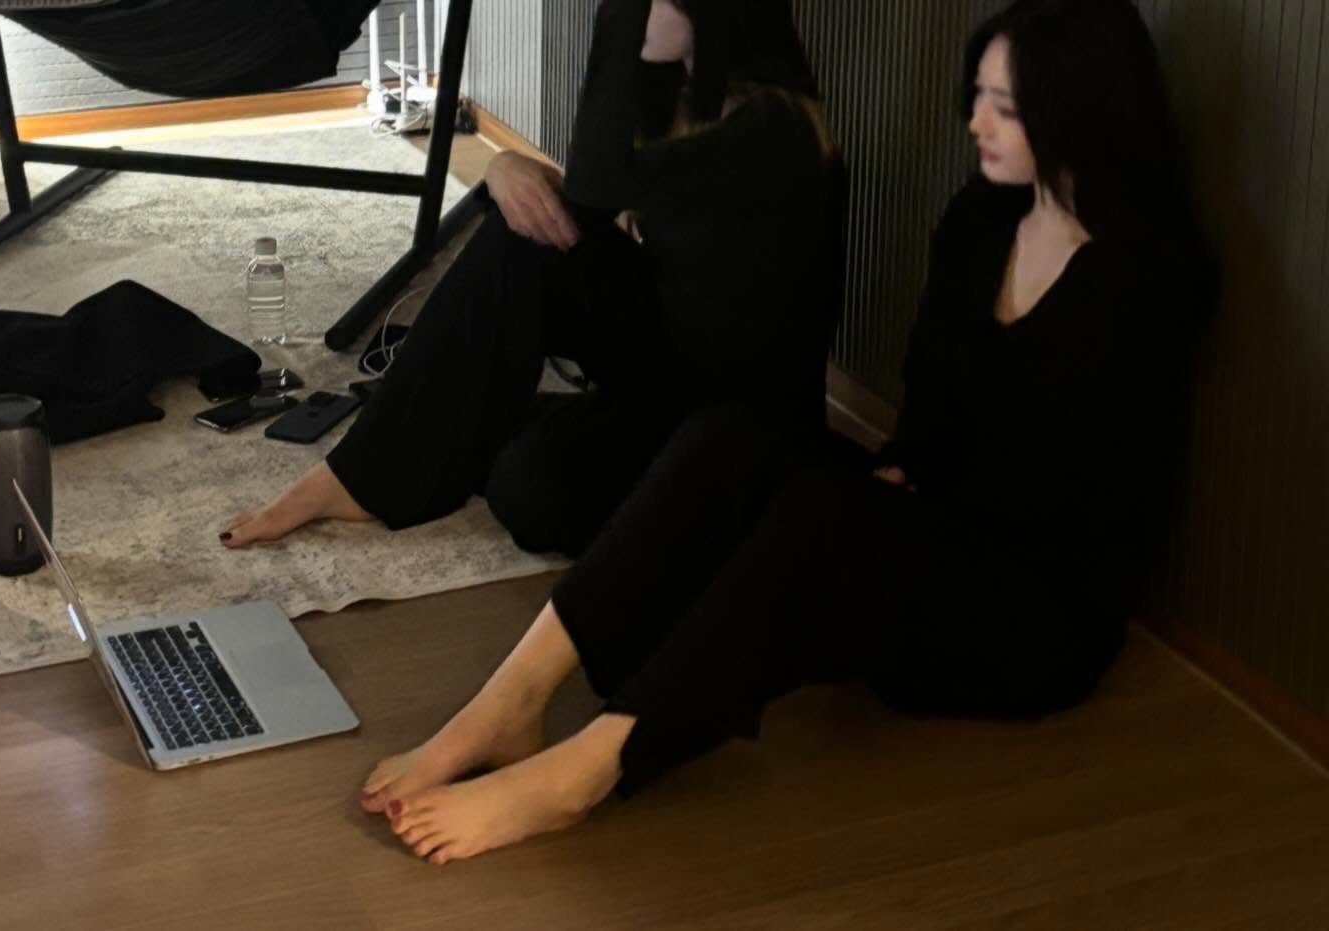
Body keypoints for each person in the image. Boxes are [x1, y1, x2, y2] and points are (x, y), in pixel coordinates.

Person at [358, 0, 1217, 865]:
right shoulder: (982, 221)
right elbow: (931, 403)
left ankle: (584, 773)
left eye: (1006, 107)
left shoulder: (1148, 280)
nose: (976, 122)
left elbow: (1088, 504)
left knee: (820, 515)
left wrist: (887, 508)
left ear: (1079, 108)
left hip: (1031, 612)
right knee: (734, 436)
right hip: (934, 519)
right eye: (979, 96)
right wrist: (901, 473)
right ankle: (509, 701)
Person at [219, 0, 843, 556]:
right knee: (523, 237)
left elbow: (597, 186)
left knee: (533, 491)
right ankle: (358, 476)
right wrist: (504, 168)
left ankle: (450, 424)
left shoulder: (776, 124)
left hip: (739, 422)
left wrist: (625, 22)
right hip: (670, 359)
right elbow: (584, 211)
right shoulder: (683, 94)